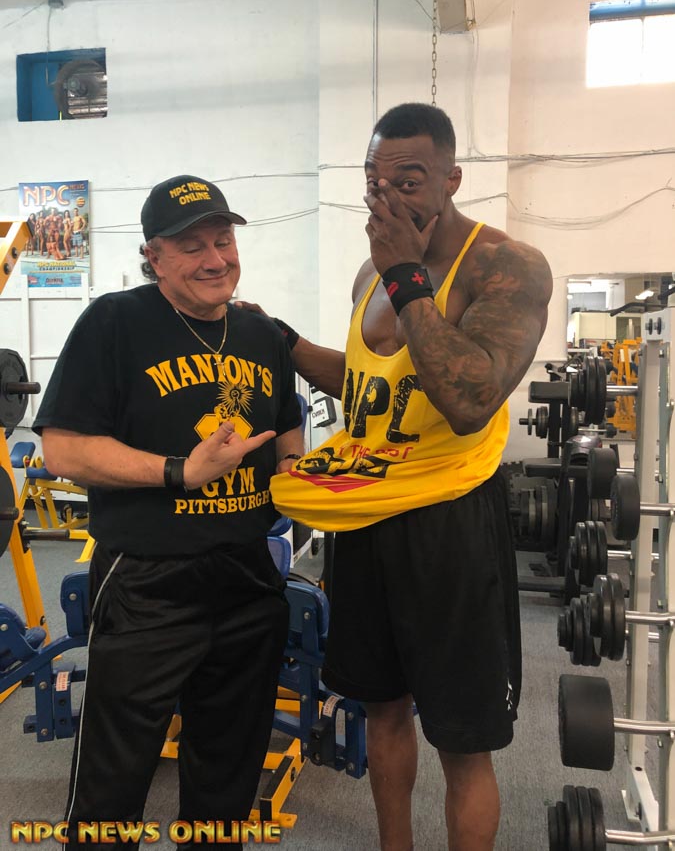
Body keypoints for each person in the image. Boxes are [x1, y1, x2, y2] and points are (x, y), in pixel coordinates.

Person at [261, 103, 553, 851]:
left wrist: (406, 276)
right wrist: (285, 341)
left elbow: (466, 397)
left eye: (409, 181)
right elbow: (370, 386)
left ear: (452, 179)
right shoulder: (370, 271)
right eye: (374, 181)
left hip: (449, 522)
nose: (385, 198)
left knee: (461, 737)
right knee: (381, 709)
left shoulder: (504, 266)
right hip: (366, 513)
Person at [33, 174, 305, 850]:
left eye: (224, 240)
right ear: (154, 256)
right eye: (192, 247)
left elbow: (286, 421)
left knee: (228, 774)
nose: (216, 259)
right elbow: (63, 449)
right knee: (113, 778)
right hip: (148, 581)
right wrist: (180, 471)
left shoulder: (260, 332)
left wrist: (296, 469)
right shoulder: (115, 323)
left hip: (248, 578)